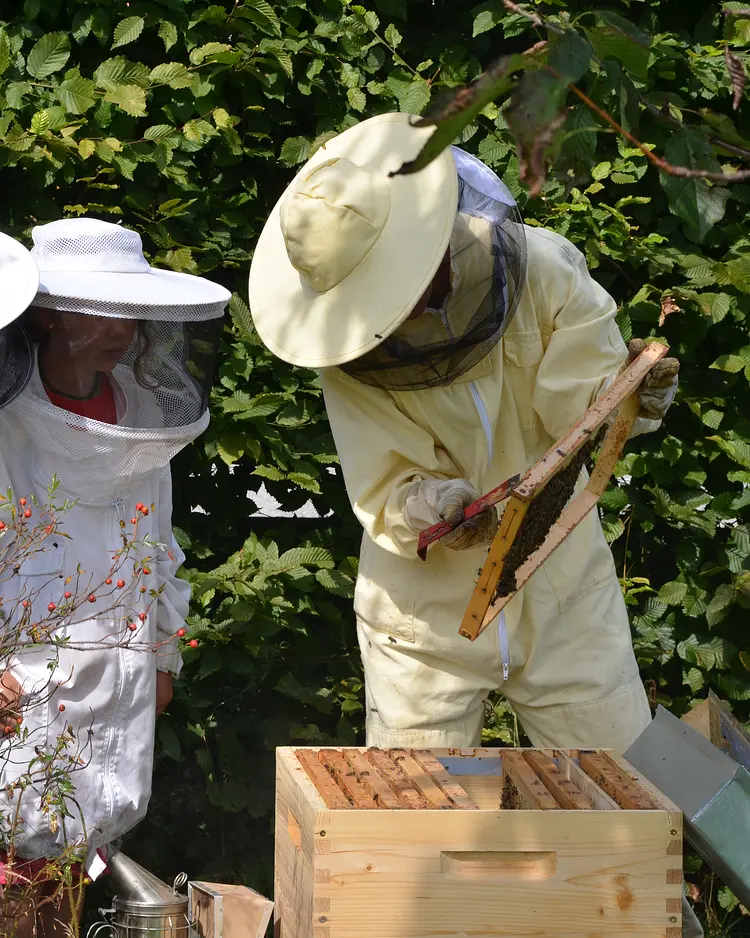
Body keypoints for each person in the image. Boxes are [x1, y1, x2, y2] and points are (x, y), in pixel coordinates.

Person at [248, 111, 706, 938]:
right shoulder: (349, 354)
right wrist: (431, 507)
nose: (414, 307)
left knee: (629, 818)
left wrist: (628, 401)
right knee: (408, 847)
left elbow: (584, 421)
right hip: (422, 619)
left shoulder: (545, 272)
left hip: (562, 588)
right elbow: (388, 483)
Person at [0, 219, 230, 936]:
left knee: (77, 869)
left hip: (117, 679)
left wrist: (162, 652)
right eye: (100, 311)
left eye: (129, 312)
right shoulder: (6, 426)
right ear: (45, 312)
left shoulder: (141, 420)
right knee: (15, 873)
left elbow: (155, 546)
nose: (121, 330)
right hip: (19, 684)